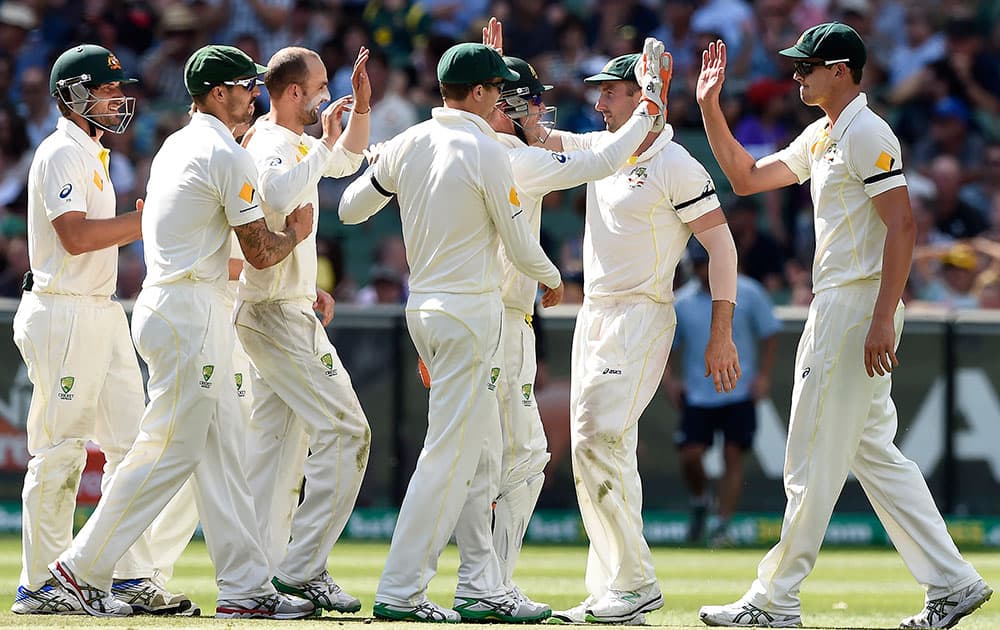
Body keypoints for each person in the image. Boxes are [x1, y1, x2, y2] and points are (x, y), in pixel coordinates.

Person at [695, 23, 993, 628]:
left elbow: (904, 226)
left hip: (855, 306)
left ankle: (774, 600)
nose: (797, 76)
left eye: (807, 67)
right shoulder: (823, 133)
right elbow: (748, 179)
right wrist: (708, 105)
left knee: (808, 455)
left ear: (840, 69)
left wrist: (882, 315)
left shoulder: (868, 132)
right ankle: (954, 582)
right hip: (843, 304)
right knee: (874, 454)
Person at [48, 45, 317, 619]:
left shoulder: (178, 142)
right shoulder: (225, 153)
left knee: (222, 455)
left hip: (180, 304)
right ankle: (79, 568)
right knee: (169, 448)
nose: (255, 95)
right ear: (218, 93)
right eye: (246, 86)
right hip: (190, 311)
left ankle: (245, 589)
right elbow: (263, 253)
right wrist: (296, 232)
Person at [339, 42, 563, 623]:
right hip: (470, 313)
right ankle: (402, 590)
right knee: (449, 456)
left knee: (478, 458)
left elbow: (350, 209)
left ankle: (480, 587)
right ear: (486, 93)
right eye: (497, 91)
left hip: (423, 310)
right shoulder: (486, 149)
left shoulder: (411, 140)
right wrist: (553, 277)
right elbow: (519, 245)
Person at [471, 20, 669, 614]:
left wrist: (488, 83)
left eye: (614, 89)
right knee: (524, 454)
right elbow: (599, 155)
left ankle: (492, 584)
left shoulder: (480, 145)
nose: (597, 99)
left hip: (522, 319)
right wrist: (650, 104)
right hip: (507, 319)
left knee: (533, 452)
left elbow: (575, 145)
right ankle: (487, 586)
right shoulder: (514, 155)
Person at [544, 48, 742, 625]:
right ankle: (615, 588)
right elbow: (532, 136)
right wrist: (497, 67)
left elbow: (722, 248)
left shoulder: (676, 163)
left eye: (611, 91)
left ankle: (636, 582)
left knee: (594, 436)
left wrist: (720, 331)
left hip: (642, 314)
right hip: (594, 316)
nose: (599, 101)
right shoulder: (599, 149)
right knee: (606, 451)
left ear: (643, 97)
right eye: (599, 91)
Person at [11, 43, 192, 617]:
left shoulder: (91, 152)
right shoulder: (60, 152)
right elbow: (75, 237)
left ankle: (128, 578)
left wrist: (138, 222)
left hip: (102, 309)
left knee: (131, 449)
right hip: (62, 309)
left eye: (119, 89)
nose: (119, 99)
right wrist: (145, 220)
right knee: (60, 452)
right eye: (107, 90)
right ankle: (40, 582)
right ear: (74, 96)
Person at [237, 44, 373, 613]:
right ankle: (304, 569)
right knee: (348, 432)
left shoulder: (296, 143)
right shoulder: (270, 142)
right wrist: (322, 145)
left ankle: (256, 584)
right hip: (273, 314)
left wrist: (360, 110)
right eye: (321, 86)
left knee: (275, 458)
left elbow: (345, 162)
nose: (326, 95)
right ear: (294, 92)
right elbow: (275, 194)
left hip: (285, 306)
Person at [663, 242, 780, 547]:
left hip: (738, 389)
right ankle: (701, 500)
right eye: (699, 265)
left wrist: (763, 375)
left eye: (707, 263)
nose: (704, 271)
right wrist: (670, 382)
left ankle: (721, 523)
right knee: (690, 455)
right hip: (699, 392)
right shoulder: (683, 302)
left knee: (732, 455)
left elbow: (769, 333)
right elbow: (667, 347)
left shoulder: (750, 292)